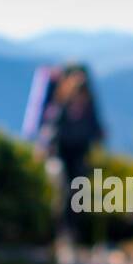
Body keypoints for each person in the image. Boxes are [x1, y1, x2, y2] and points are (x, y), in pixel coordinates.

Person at [40, 63, 104, 251]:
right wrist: (48, 148)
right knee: (67, 191)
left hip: (80, 153)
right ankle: (63, 232)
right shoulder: (62, 105)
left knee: (79, 192)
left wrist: (98, 135)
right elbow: (52, 129)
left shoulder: (89, 106)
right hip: (63, 154)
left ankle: (74, 232)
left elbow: (95, 127)